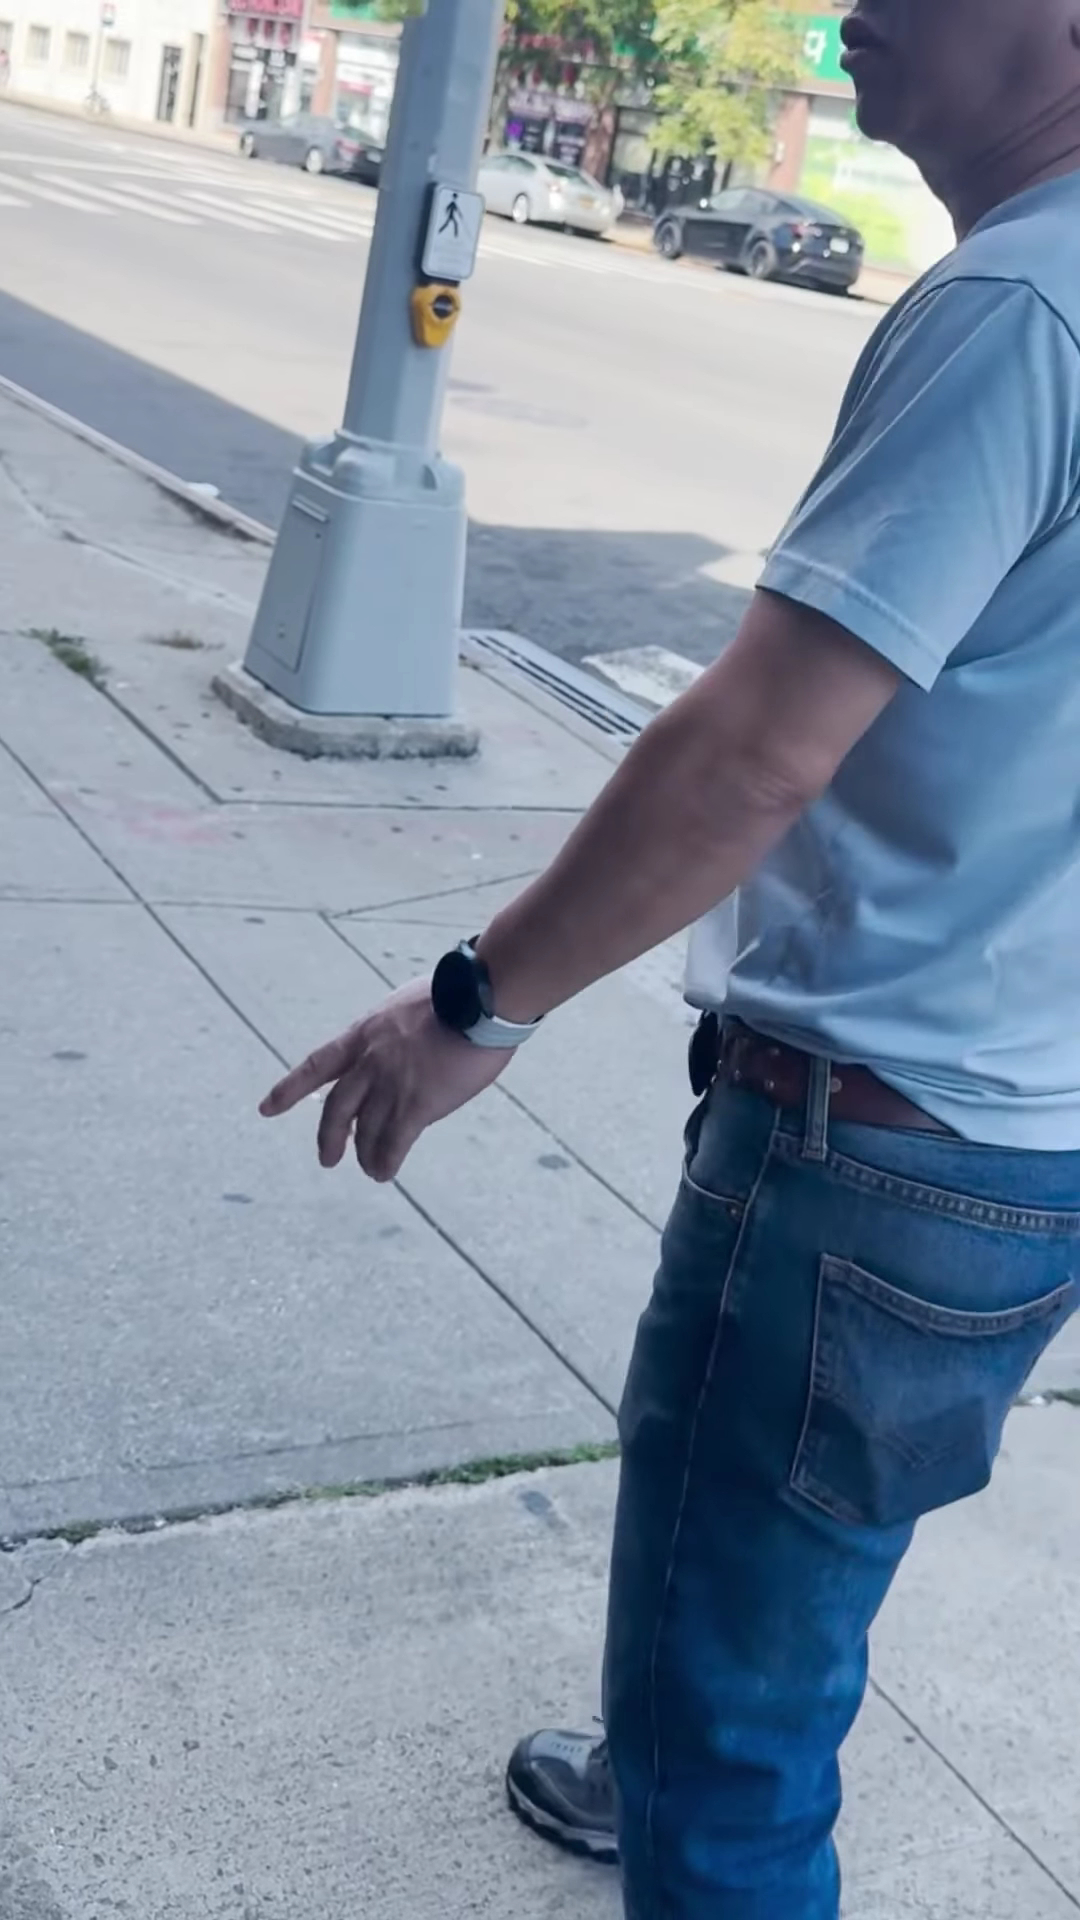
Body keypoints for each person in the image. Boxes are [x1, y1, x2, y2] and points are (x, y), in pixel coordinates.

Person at [259, 0, 1080, 1911]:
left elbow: (750, 754)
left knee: (740, 1749)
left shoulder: (1023, 310)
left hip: (880, 1147)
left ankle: (692, 1775)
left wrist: (477, 1004)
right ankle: (673, 1743)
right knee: (794, 1563)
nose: (862, 9)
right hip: (1028, 1136)